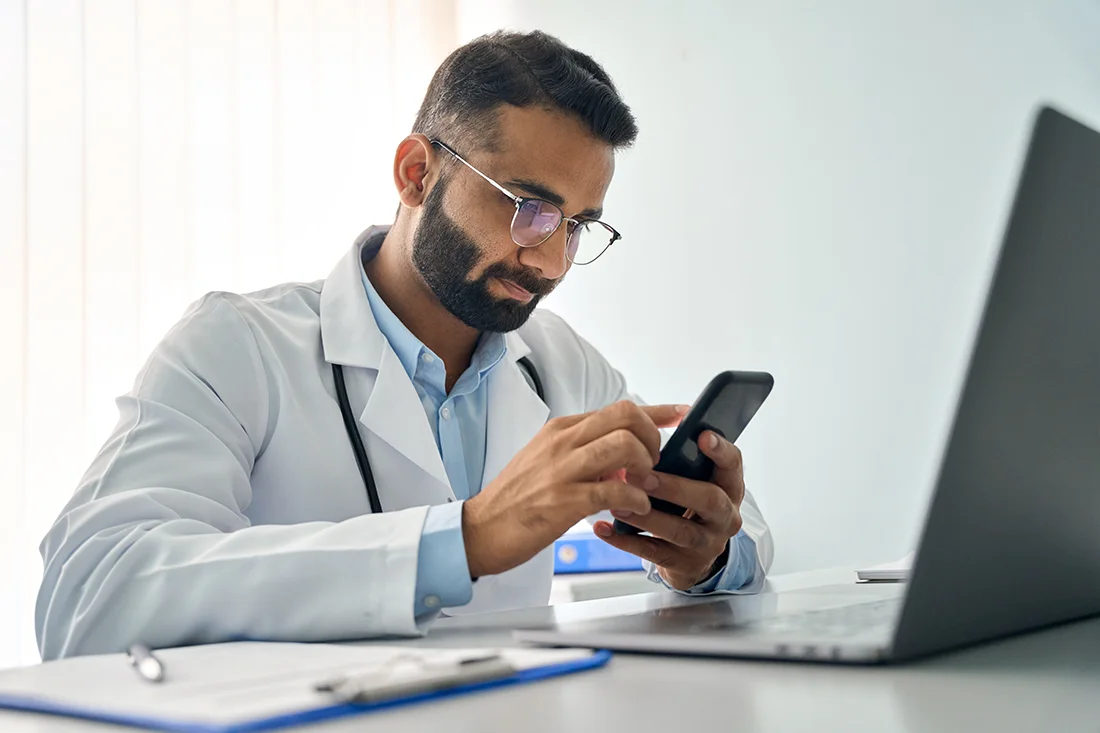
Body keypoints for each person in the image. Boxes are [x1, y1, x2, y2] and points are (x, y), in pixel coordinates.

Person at [36, 30, 773, 661]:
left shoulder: (559, 364)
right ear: (417, 173)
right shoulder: (236, 346)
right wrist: (466, 537)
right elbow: (90, 595)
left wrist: (701, 557)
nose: (550, 263)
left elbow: (752, 539)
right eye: (528, 208)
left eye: (576, 225)